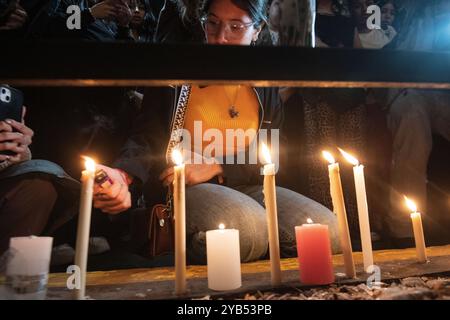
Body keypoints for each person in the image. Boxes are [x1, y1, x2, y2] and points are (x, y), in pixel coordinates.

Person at [113, 0, 340, 265]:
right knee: (247, 231)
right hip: (185, 187)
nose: (220, 38)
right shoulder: (180, 70)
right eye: (213, 23)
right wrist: (123, 174)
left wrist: (219, 166)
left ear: (257, 30)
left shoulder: (263, 79)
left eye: (235, 27)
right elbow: (147, 133)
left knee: (328, 233)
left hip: (248, 184)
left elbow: (275, 149)